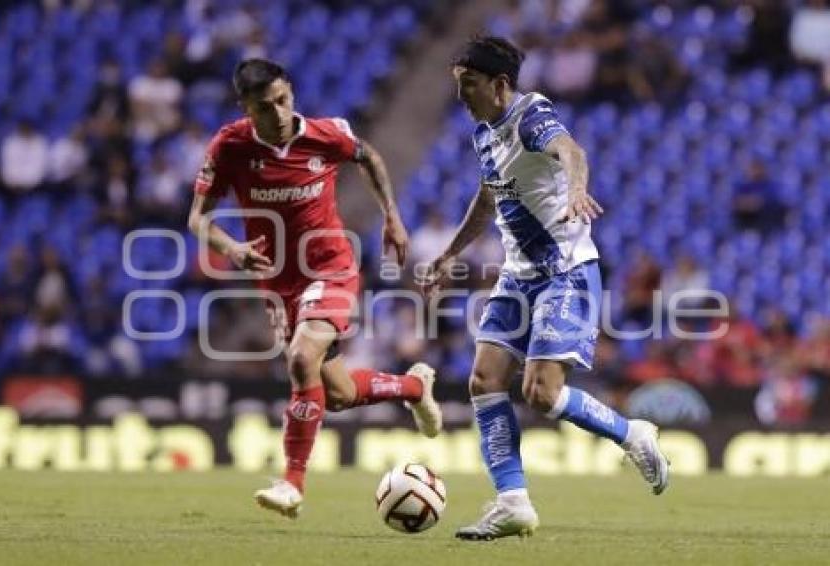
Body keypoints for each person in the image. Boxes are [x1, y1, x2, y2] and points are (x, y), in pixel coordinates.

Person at [422, 36, 669, 541]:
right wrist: (450, 253)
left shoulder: (530, 116)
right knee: (484, 381)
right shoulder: (485, 134)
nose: (462, 95)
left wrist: (576, 187)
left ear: (500, 84)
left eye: (469, 85)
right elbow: (489, 200)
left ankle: (632, 434)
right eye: (458, 86)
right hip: (519, 275)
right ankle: (513, 502)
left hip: (565, 272)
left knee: (541, 393)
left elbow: (570, 150)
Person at [187, 59, 442, 519]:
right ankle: (412, 386)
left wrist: (392, 216)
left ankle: (292, 483)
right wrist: (234, 248)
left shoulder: (324, 134)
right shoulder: (230, 145)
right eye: (266, 107)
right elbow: (198, 219)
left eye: (285, 100)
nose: (280, 113)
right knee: (337, 394)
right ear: (246, 107)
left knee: (302, 358)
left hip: (331, 266)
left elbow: (367, 156)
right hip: (279, 283)